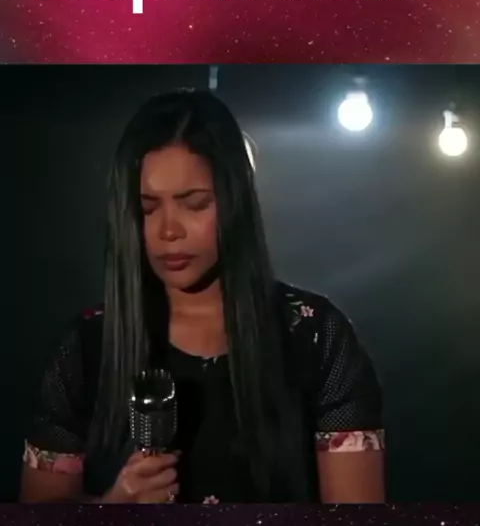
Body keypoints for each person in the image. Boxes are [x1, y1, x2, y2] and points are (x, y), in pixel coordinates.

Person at [20, 89, 385, 504]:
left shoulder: (316, 337)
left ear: (234, 201)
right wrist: (113, 510)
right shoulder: (88, 348)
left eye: (194, 204)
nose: (169, 230)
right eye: (148, 208)